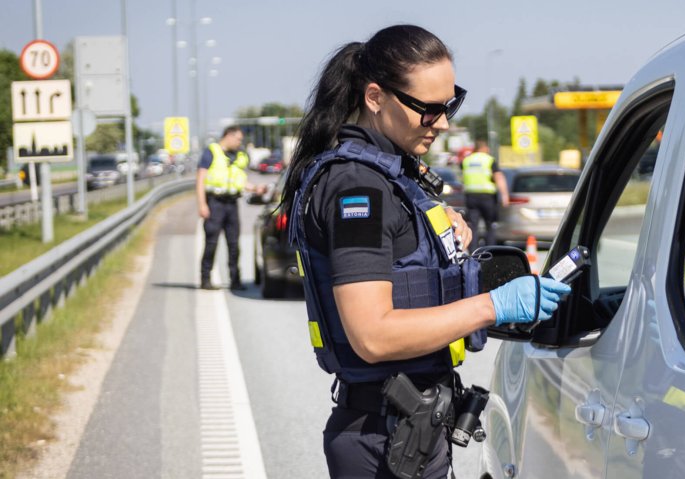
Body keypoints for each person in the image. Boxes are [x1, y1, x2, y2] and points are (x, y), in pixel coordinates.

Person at [281, 25, 571, 479]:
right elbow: (372, 335)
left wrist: (441, 241)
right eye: (429, 110)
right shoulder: (359, 188)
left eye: (450, 104)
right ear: (375, 97)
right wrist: (492, 306)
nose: (444, 123)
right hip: (384, 437)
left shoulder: (390, 174)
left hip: (410, 428)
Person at [196, 125, 263, 290]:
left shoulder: (238, 156)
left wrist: (255, 188)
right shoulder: (211, 151)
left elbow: (238, 181)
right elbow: (200, 179)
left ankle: (235, 281)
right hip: (215, 203)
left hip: (232, 204)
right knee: (211, 243)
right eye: (238, 139)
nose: (240, 142)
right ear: (229, 136)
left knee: (234, 244)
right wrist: (202, 204)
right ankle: (206, 279)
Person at [461, 139, 509, 246]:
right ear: (484, 148)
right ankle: (489, 249)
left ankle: (473, 251)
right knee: (490, 225)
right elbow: (498, 177)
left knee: (473, 226)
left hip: (471, 197)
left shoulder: (466, 160)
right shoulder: (489, 160)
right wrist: (505, 196)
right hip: (487, 197)